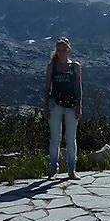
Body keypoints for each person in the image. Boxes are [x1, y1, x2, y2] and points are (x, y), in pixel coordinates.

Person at [44, 37, 82, 179]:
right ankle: (53, 168)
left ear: (68, 49)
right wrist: (46, 106)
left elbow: (79, 87)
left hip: (72, 105)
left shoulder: (75, 66)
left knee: (71, 138)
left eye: (63, 49)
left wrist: (79, 105)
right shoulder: (51, 67)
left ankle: (72, 170)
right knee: (55, 138)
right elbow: (47, 87)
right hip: (55, 104)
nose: (60, 52)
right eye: (58, 50)